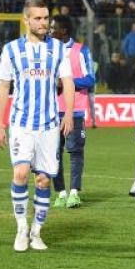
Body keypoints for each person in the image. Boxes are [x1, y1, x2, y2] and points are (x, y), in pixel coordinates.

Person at [0, 0, 75, 252]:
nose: (43, 23)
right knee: (20, 173)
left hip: (49, 125)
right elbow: (3, 86)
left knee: (42, 180)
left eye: (46, 18)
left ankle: (36, 232)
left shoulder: (59, 49)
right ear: (26, 20)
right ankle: (21, 228)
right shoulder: (11, 50)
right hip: (21, 123)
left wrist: (69, 113)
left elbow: (67, 81)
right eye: (38, 18)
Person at [51, 15, 95, 209]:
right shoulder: (48, 50)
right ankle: (60, 193)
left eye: (54, 29)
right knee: (53, 153)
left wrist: (67, 82)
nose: (50, 32)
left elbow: (90, 79)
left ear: (64, 31)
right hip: (51, 110)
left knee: (75, 152)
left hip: (75, 110)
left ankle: (74, 193)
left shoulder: (80, 51)